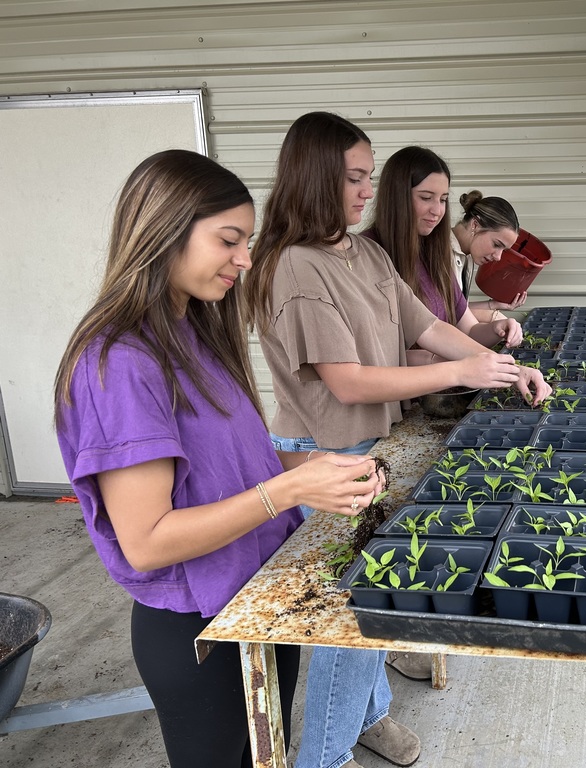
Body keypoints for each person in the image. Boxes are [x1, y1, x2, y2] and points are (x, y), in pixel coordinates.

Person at [52, 149, 385, 768]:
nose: (246, 259)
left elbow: (229, 469)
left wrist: (312, 473)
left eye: (248, 241)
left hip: (257, 599)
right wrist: (285, 494)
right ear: (162, 231)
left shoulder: (197, 332)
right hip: (197, 629)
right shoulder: (121, 362)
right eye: (228, 240)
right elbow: (147, 541)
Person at [244, 111, 551, 768]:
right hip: (324, 458)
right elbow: (348, 382)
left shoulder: (365, 252)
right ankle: (322, 757)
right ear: (317, 177)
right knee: (350, 620)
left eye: (367, 176)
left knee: (377, 598)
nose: (364, 190)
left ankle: (370, 716)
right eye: (354, 178)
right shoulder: (295, 267)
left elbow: (430, 327)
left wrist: (503, 365)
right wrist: (465, 369)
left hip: (371, 449)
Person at [362, 145, 523, 365]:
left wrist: (498, 329)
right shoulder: (366, 253)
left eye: (443, 199)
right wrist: (450, 364)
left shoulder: (435, 253)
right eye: (426, 197)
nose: (437, 211)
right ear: (397, 196)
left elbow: (468, 329)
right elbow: (374, 355)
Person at [450, 189, 527, 320]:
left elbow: (458, 308)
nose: (498, 257)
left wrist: (494, 304)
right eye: (497, 245)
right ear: (475, 224)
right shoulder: (440, 254)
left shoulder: (466, 256)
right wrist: (493, 317)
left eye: (504, 250)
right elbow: (445, 316)